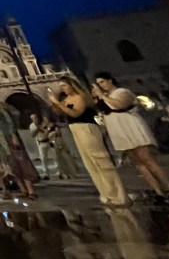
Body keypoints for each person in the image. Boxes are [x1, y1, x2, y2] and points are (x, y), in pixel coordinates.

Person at [94, 72, 169, 206]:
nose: (101, 85)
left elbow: (118, 105)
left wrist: (102, 96)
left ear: (110, 80)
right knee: (138, 164)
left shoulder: (122, 92)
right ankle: (158, 192)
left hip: (131, 127)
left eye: (102, 82)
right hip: (118, 130)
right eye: (98, 84)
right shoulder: (104, 97)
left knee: (148, 159)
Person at [48, 78, 129, 206]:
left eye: (64, 85)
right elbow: (60, 112)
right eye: (60, 86)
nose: (62, 88)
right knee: (90, 163)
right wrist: (55, 103)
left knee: (100, 160)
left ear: (72, 85)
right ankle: (106, 194)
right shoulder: (66, 99)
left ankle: (119, 195)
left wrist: (58, 103)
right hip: (75, 129)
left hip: (86, 128)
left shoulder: (80, 97)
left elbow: (76, 113)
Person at [0, 91, 38, 200]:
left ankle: (31, 191)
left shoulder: (0, 108)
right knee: (10, 166)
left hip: (9, 139)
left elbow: (10, 121)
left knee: (21, 163)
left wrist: (14, 135)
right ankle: (23, 189)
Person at [29, 114, 57, 180]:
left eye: (36, 118)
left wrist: (46, 127)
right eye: (33, 118)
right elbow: (32, 135)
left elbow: (49, 129)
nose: (35, 119)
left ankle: (59, 171)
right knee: (43, 158)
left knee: (55, 156)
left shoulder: (44, 123)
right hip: (41, 143)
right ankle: (46, 174)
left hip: (49, 141)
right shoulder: (32, 126)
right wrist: (37, 128)